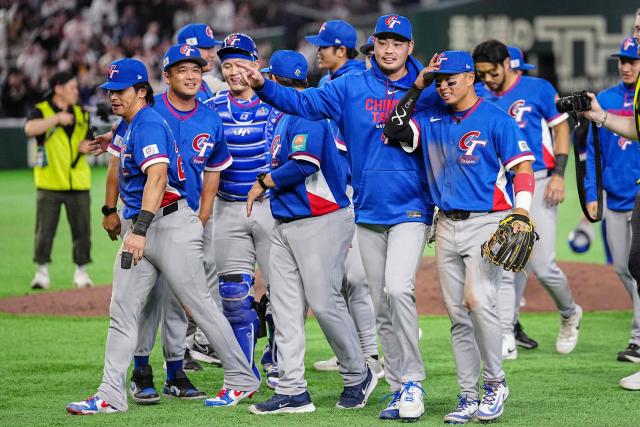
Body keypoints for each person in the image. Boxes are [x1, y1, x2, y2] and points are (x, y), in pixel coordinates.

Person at [237, 14, 438, 421]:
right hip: (366, 208)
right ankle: (397, 387)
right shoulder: (349, 86)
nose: (388, 48)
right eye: (383, 40)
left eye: (397, 42)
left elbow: (456, 125)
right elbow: (304, 102)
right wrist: (263, 87)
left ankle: (413, 381)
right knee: (380, 305)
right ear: (374, 44)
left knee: (398, 291)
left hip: (412, 207)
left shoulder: (429, 88)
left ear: (409, 48)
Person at [65, 57, 260, 415]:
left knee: (198, 305)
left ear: (141, 91)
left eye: (120, 90)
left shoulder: (149, 124)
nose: (113, 97)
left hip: (168, 225)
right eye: (110, 91)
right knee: (122, 311)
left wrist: (137, 231)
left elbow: (157, 177)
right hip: (146, 225)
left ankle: (242, 379)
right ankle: (111, 393)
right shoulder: (134, 123)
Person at [383, 50, 535, 423]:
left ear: (470, 78)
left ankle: (495, 383)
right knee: (457, 315)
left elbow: (523, 168)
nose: (445, 85)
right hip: (446, 224)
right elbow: (393, 128)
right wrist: (419, 85)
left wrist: (523, 209)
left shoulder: (495, 119)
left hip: (488, 221)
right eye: (440, 80)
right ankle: (467, 394)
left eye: (451, 78)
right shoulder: (431, 118)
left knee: (477, 301)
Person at [245, 50, 377, 414]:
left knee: (324, 302)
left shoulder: (307, 113)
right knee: (284, 309)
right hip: (287, 222)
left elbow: (304, 164)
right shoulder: (285, 118)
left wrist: (263, 181)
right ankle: (291, 390)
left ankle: (357, 374)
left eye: (269, 78)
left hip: (322, 220)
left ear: (277, 81)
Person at [472, 40, 582, 359]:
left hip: (541, 178)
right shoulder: (480, 94)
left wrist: (560, 173)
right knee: (506, 262)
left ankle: (569, 312)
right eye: (481, 74)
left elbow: (561, 130)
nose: (488, 79)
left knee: (543, 265)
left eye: (492, 72)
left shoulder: (538, 89)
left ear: (507, 64)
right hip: (502, 186)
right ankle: (506, 332)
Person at [200, 33, 282, 388]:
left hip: (271, 210)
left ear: (256, 65)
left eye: (241, 63)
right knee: (233, 295)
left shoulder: (275, 103)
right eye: (227, 65)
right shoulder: (214, 107)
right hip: (228, 209)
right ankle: (243, 372)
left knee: (283, 293)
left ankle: (280, 363)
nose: (234, 71)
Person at [303, 19, 382, 379]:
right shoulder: (328, 82)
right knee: (341, 279)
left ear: (341, 49)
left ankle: (371, 356)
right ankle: (353, 352)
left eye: (323, 45)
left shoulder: (359, 80)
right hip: (335, 188)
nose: (317, 51)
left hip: (356, 188)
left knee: (356, 278)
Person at [581, 6, 640, 393]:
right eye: (635, 28)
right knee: (633, 263)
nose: (637, 34)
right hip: (624, 196)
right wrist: (600, 115)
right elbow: (635, 130)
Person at [24, 71, 93, 290]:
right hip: (50, 182)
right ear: (59, 88)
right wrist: (56, 119)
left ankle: (81, 272)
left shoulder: (82, 113)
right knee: (45, 231)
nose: (76, 92)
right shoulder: (40, 110)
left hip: (78, 182)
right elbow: (29, 129)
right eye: (72, 87)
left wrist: (88, 148)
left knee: (82, 231)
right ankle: (41, 272)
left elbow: (90, 142)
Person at [176, 23, 229, 100]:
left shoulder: (206, 83)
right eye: (207, 48)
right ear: (188, 50)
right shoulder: (178, 90)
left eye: (212, 48)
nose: (213, 54)